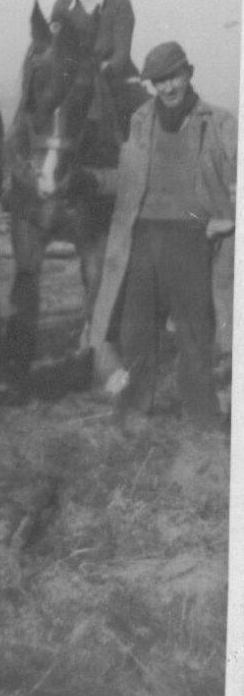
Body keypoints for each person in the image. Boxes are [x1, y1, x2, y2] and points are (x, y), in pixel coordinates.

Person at [89, 42, 237, 431]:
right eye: (158, 82)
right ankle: (135, 408)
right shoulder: (141, 118)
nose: (167, 88)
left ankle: (202, 414)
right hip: (142, 236)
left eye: (173, 77)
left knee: (195, 328)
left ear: (189, 73)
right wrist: (90, 180)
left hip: (192, 236)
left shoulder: (220, 122)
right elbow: (128, 179)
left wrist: (230, 218)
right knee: (135, 327)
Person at [51, 0, 147, 137]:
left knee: (139, 118)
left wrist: (99, 72)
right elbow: (57, 48)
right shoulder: (62, 4)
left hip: (114, 78)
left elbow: (121, 53)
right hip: (73, 80)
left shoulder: (119, 2)